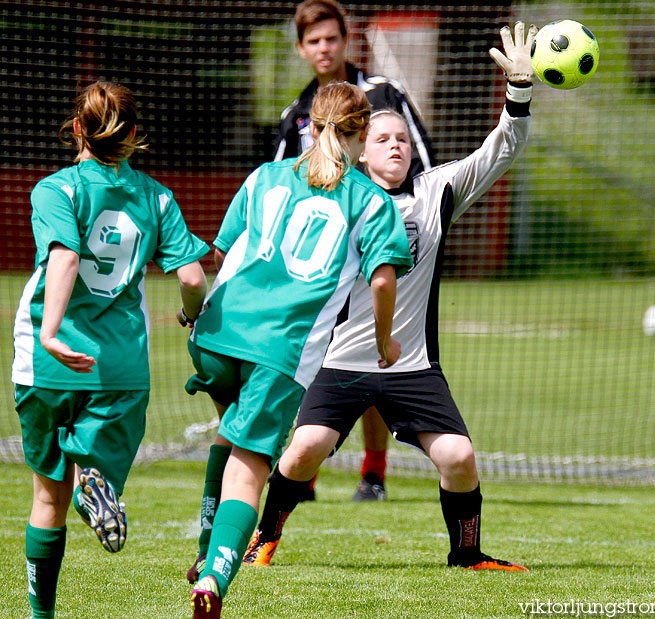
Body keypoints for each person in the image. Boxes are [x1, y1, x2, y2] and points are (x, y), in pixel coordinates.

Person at [242, 21, 537, 573]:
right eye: (382, 139)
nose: (396, 145)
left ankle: (467, 554)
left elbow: (502, 149)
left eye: (402, 138)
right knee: (303, 451)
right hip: (341, 360)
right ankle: (264, 537)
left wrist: (518, 92)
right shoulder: (336, 198)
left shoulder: (436, 191)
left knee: (459, 456)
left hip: (412, 365)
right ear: (360, 154)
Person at [186, 81, 412, 618]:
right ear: (361, 137)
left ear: (309, 126)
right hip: (278, 350)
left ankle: (203, 546)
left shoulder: (265, 177)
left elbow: (219, 253)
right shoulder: (372, 200)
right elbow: (381, 283)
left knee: (229, 429)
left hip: (215, 334)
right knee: (251, 464)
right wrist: (384, 341)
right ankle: (216, 575)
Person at [11, 80, 209, 619]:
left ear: (77, 128)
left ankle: (40, 615)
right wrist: (191, 317)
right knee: (90, 478)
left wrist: (52, 333)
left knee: (45, 497)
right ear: (134, 134)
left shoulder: (54, 189)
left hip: (46, 360)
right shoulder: (156, 196)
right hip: (118, 365)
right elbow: (191, 276)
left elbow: (65, 258)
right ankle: (90, 480)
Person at [277, 0, 438, 502]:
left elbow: (423, 166)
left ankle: (373, 472)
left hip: (377, 242)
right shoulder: (297, 114)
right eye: (314, 41)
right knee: (315, 359)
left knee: (371, 351)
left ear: (347, 41)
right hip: (321, 253)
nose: (324, 49)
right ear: (303, 50)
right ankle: (304, 473)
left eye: (332, 38)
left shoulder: (386, 94)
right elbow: (280, 183)